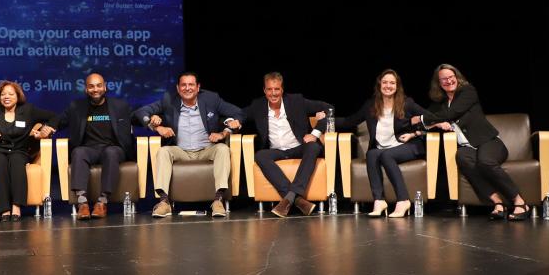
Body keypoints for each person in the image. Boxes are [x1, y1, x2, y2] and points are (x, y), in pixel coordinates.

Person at [413, 64, 529, 221]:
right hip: (467, 148)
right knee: (461, 157)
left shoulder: (468, 91)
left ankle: (520, 202)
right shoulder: (439, 104)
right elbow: (420, 121)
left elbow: (450, 113)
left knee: (485, 161)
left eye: (451, 77)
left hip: (489, 142)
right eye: (443, 79)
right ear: (439, 84)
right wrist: (437, 123)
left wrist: (425, 119)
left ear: (456, 77)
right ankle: (497, 203)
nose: (448, 81)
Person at [133, 71, 242, 218]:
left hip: (207, 149)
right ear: (178, 88)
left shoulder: (211, 99)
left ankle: (218, 200)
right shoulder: (169, 100)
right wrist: (157, 127)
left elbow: (239, 113)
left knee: (223, 149)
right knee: (164, 151)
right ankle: (164, 202)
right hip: (181, 151)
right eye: (183, 85)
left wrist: (224, 132)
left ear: (198, 87)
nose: (187, 88)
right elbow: (140, 112)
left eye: (191, 84)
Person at [40, 73, 133, 220]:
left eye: (98, 85)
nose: (95, 89)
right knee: (78, 152)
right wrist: (48, 127)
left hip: (113, 147)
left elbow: (136, 117)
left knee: (111, 153)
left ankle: (102, 202)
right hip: (89, 149)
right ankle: (82, 203)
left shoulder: (120, 106)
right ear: (86, 89)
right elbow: (59, 120)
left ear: (105, 87)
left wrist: (153, 122)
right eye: (91, 86)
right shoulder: (77, 107)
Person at [337, 69, 428, 218]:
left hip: (407, 146)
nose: (388, 86)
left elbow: (428, 118)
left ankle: (403, 200)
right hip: (383, 148)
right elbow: (349, 121)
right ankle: (379, 201)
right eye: (385, 82)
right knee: (372, 153)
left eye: (392, 83)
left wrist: (414, 133)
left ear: (397, 86)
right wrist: (325, 121)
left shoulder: (407, 103)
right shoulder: (371, 105)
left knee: (386, 156)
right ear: (379, 85)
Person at [0, 81, 56, 221]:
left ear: (18, 96)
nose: (6, 97)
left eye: (10, 94)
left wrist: (45, 130)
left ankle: (16, 207)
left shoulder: (28, 110)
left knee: (17, 161)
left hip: (18, 150)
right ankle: (4, 209)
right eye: (3, 94)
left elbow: (54, 117)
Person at [241, 72, 330, 218]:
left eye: (277, 89)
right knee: (260, 155)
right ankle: (298, 200)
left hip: (299, 147)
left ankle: (290, 197)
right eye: (270, 89)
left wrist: (315, 133)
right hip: (276, 151)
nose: (273, 93)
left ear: (282, 90)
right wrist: (230, 123)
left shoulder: (296, 101)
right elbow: (239, 115)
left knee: (313, 147)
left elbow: (328, 108)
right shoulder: (258, 105)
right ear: (264, 90)